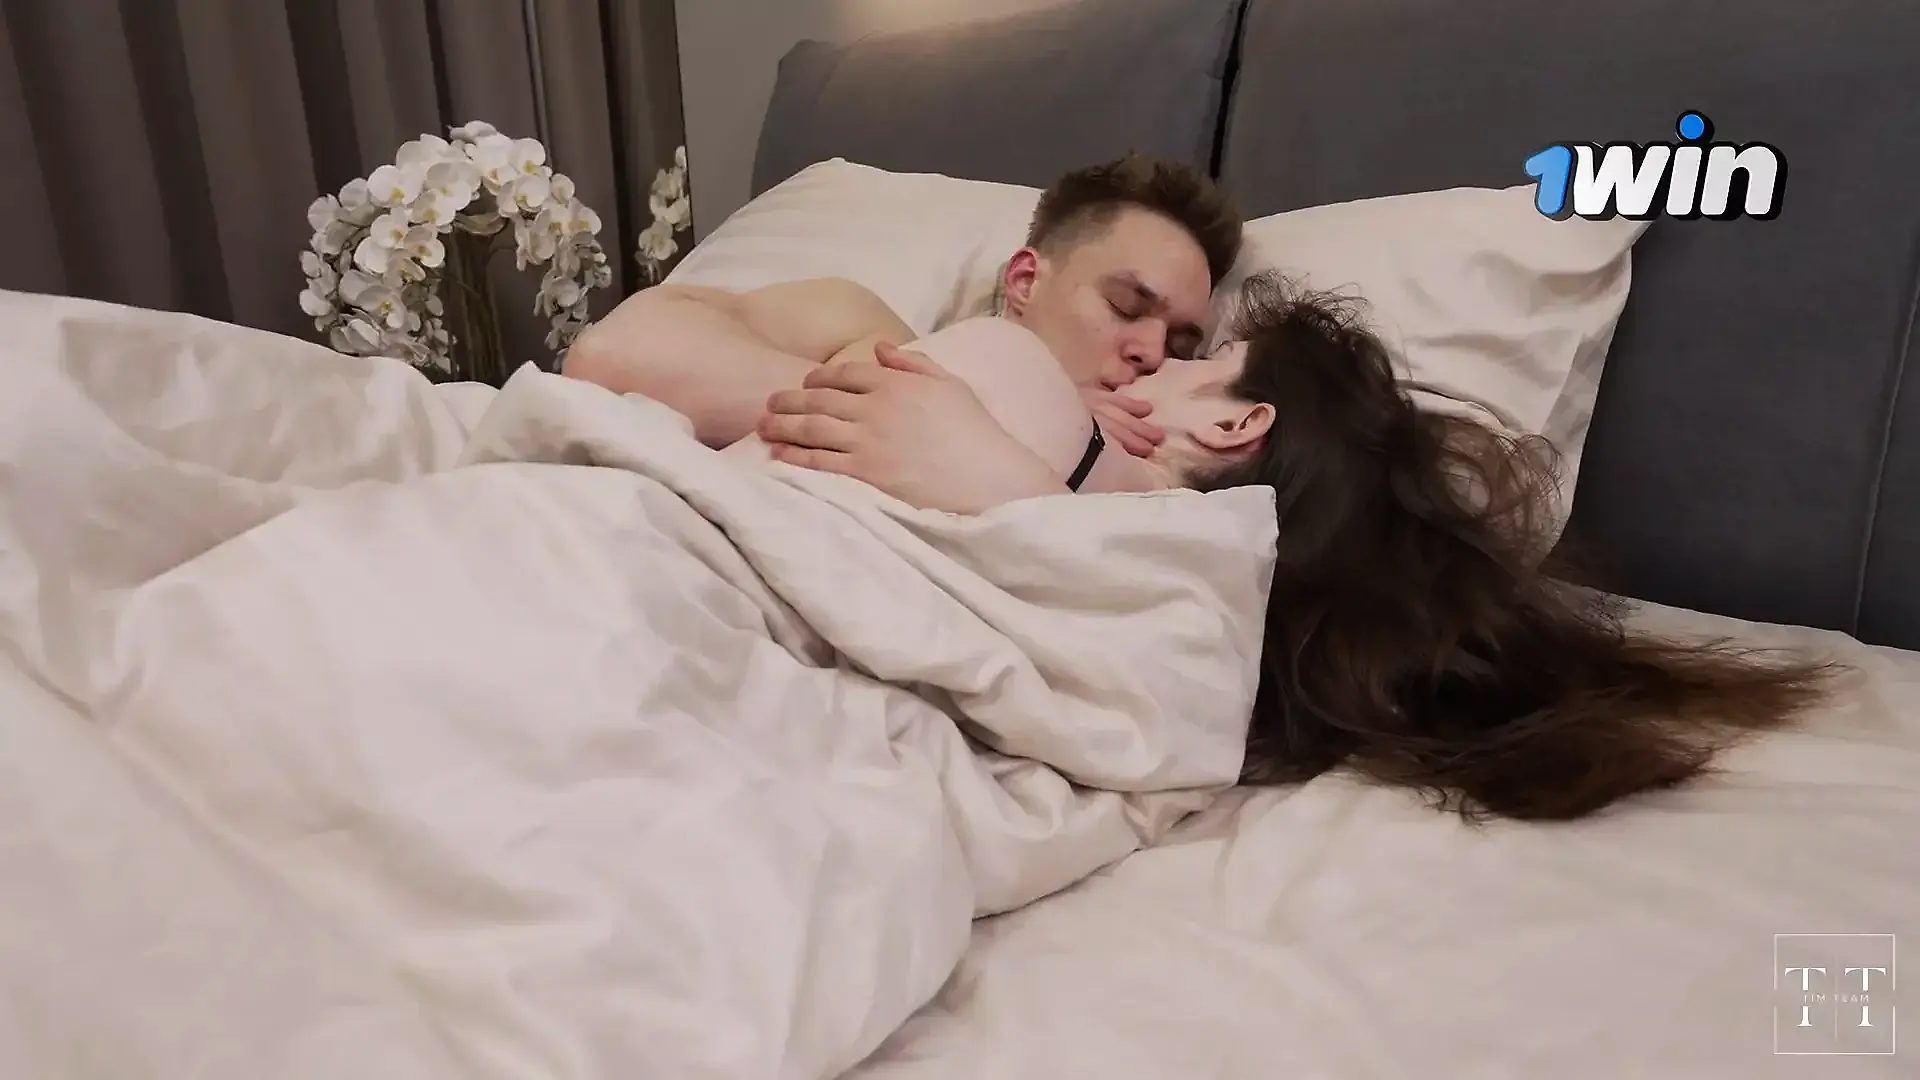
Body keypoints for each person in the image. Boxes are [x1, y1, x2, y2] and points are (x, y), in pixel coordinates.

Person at [758, 270, 1838, 821]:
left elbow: (1158, 699)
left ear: (1239, 422)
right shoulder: (1106, 495)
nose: (1147, 364)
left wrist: (1009, 489)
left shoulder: (1186, 567)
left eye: (1198, 356)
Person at [563, 153, 1243, 461]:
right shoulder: (868, 331)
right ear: (1024, 281)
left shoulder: (1157, 470)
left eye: (1182, 345)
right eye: (1126, 305)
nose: (1152, 352)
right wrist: (994, 412)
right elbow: (611, 359)